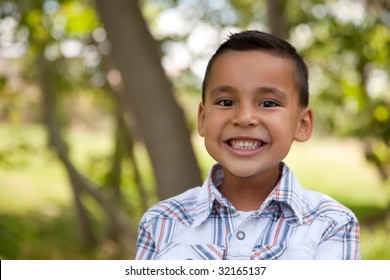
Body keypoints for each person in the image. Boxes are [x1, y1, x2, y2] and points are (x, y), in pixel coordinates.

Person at [135, 30, 360, 260]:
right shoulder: (161, 222)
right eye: (226, 102)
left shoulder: (331, 224)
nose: (244, 117)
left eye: (268, 103)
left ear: (302, 124)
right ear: (202, 119)